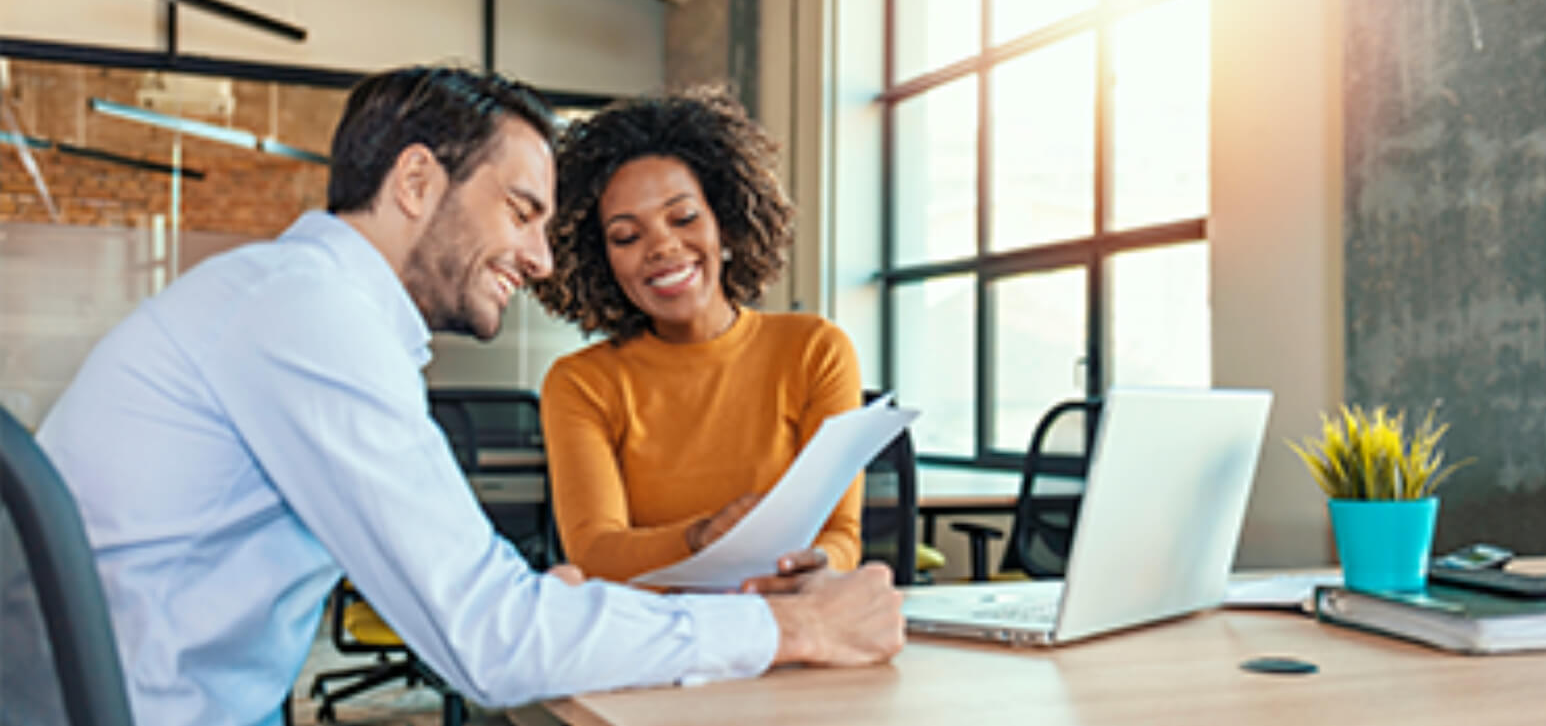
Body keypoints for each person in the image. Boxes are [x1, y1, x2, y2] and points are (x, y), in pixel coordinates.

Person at [33, 67, 903, 726]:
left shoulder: (298, 304)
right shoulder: (306, 315)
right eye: (522, 211)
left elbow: (476, 602)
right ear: (416, 184)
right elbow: (488, 638)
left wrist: (548, 608)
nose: (544, 258)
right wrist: (793, 633)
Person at [532, 88, 863, 591]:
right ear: (602, 261)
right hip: (652, 638)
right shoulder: (580, 382)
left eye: (683, 218)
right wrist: (701, 537)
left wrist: (817, 567)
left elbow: (841, 535)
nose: (662, 246)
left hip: (786, 621)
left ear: (725, 225)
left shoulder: (815, 349)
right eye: (626, 236)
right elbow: (595, 551)